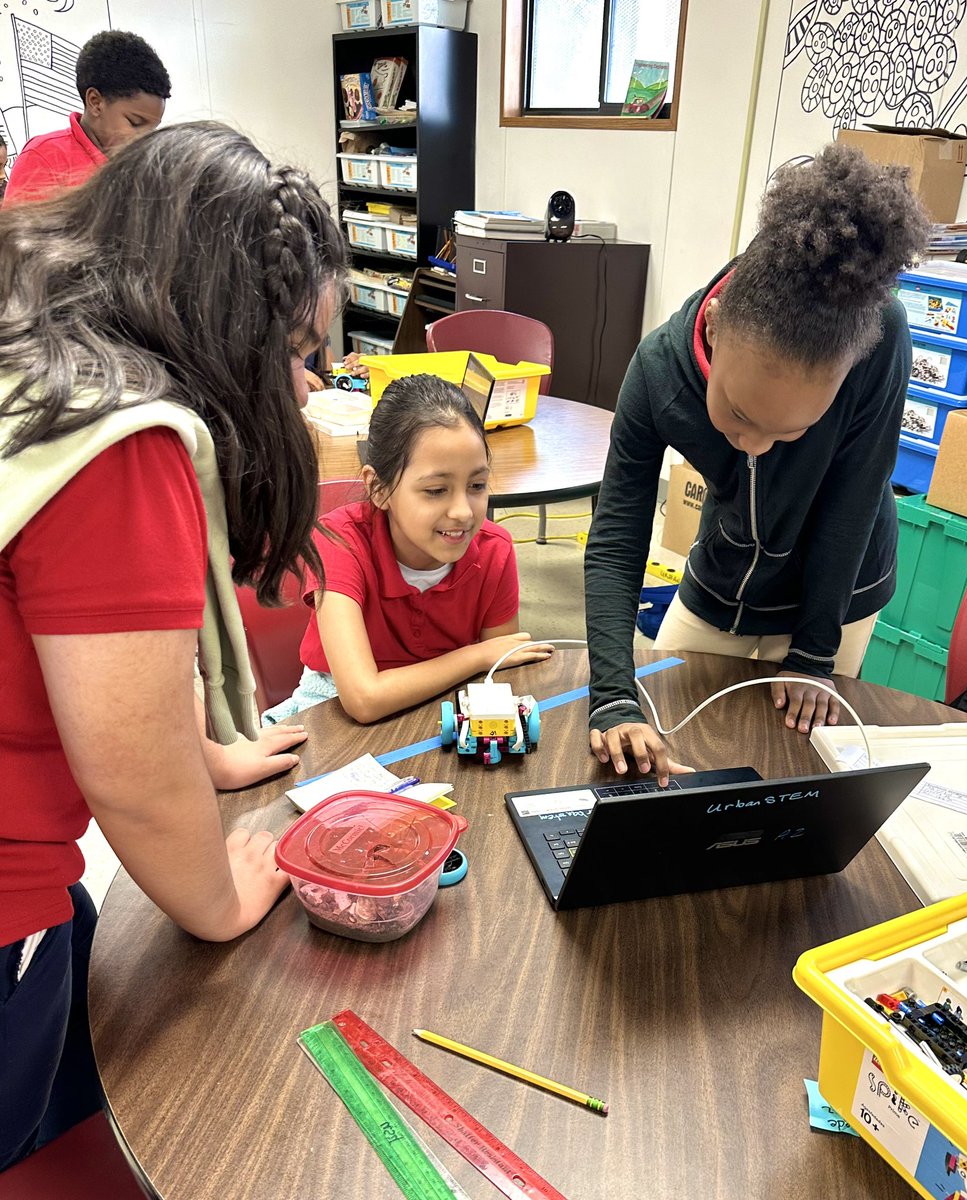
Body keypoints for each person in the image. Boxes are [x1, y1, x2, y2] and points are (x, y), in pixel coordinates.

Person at [0, 121, 347, 1169]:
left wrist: (206, 749)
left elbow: (86, 640)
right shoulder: (124, 437)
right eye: (293, 353)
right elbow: (131, 773)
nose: (303, 390)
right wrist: (219, 897)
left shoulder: (39, 355)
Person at [584, 143, 929, 785]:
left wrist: (813, 655)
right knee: (661, 741)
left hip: (838, 591)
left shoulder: (877, 340)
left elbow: (853, 502)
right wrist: (612, 693)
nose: (754, 447)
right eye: (739, 415)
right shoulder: (658, 371)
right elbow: (616, 536)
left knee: (794, 773)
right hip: (725, 573)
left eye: (791, 431)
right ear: (714, 327)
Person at [264, 374, 552, 726]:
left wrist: (482, 660)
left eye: (477, 485)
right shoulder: (338, 541)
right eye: (435, 490)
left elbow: (500, 669)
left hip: (447, 701)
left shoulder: (494, 550)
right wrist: (475, 656)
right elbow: (363, 699)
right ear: (379, 488)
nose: (463, 511)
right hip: (334, 707)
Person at [3, 29, 170, 204]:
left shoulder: (145, 165)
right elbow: (17, 230)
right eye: (135, 123)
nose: (145, 139)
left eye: (152, 129)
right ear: (95, 102)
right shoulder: (44, 158)